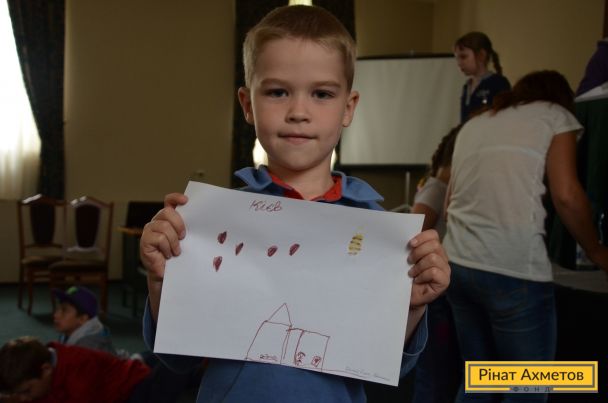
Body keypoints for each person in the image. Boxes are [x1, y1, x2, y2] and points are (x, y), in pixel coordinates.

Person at [139, 5, 451, 403]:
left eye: (322, 94)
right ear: (247, 104)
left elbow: (384, 365)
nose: (299, 112)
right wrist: (161, 281)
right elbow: (177, 359)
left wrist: (413, 307)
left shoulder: (378, 230)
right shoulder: (212, 223)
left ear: (348, 108)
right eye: (277, 92)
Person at [443, 70, 608, 403]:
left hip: (458, 264)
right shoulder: (555, 115)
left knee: (478, 383)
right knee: (527, 391)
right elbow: (567, 196)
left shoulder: (475, 123)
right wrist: (596, 250)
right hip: (512, 270)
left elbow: (448, 205)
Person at [410, 126, 461, 403]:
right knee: (433, 369)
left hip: (439, 286)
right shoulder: (437, 188)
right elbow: (414, 233)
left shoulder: (441, 187)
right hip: (431, 291)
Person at [0, 336, 159, 403]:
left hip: (133, 385)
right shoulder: (42, 366)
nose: (24, 398)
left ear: (46, 369)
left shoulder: (79, 375)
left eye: (27, 391)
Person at [454, 31, 510, 122]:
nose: (459, 63)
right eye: (457, 58)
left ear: (481, 55)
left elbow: (505, 117)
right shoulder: (466, 87)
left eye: (463, 57)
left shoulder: (498, 83)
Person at [52, 286, 119, 355]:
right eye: (58, 309)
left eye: (64, 311)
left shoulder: (87, 349)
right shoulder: (68, 332)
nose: (56, 315)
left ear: (82, 319)